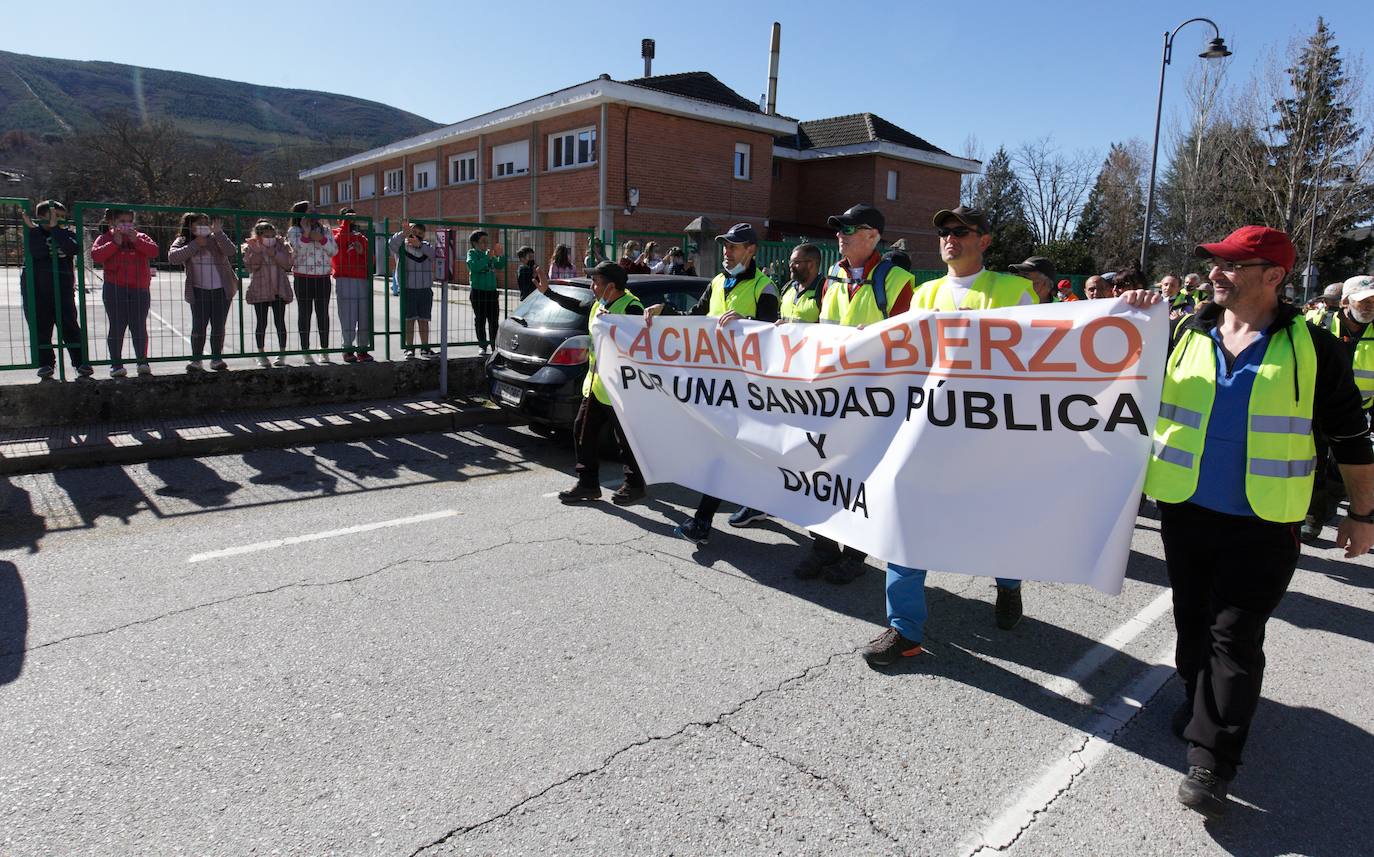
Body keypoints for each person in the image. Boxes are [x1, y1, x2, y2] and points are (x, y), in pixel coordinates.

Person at [1140, 225, 1374, 818]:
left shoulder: (1316, 349)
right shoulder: (1183, 332)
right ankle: (1197, 700)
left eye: (1231, 266)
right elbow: (1120, 387)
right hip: (1184, 508)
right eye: (1214, 264)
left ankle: (1212, 759)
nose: (1215, 273)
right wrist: (1132, 314)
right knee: (1192, 618)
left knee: (1234, 633)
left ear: (1274, 276)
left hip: (1266, 520)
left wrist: (1364, 514)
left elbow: (1351, 436)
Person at [863, 205, 1036, 667]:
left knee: (997, 523)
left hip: (989, 438)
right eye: (943, 231)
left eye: (962, 231)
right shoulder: (925, 294)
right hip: (929, 434)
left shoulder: (1014, 291)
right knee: (906, 523)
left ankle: (1009, 585)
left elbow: (1043, 359)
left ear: (985, 241)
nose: (949, 238)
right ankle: (904, 629)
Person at [779, 206, 915, 583]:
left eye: (850, 229)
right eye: (839, 228)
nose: (841, 234)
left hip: (872, 399)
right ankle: (822, 545)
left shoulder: (898, 279)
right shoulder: (833, 276)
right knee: (819, 470)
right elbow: (821, 329)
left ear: (873, 235)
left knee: (858, 477)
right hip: (828, 395)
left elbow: (905, 341)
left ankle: (854, 555)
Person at [643, 222, 779, 545]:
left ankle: (703, 522)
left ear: (751, 250)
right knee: (736, 454)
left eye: (733, 247)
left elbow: (772, 338)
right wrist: (665, 312)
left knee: (724, 455)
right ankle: (761, 501)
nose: (727, 253)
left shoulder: (765, 288)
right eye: (725, 246)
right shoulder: (718, 282)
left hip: (748, 390)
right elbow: (695, 320)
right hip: (716, 388)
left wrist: (746, 324)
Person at [542, 261, 648, 505]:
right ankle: (588, 484)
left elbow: (641, 344)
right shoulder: (600, 304)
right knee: (582, 431)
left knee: (627, 439)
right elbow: (577, 305)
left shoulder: (631, 307)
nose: (592, 287)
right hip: (597, 386)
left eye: (596, 283)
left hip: (622, 389)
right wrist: (547, 292)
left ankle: (635, 485)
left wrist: (617, 328)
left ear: (611, 286)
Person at [1300, 274, 1374, 543]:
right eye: (1364, 302)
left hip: (1360, 412)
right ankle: (1313, 517)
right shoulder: (1317, 323)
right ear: (1344, 302)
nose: (1369, 307)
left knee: (1344, 466)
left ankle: (1331, 505)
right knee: (1316, 463)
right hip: (1316, 409)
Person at [19, 200, 91, 378]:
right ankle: (46, 364)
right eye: (54, 216)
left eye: (61, 217)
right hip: (37, 290)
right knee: (40, 327)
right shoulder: (33, 234)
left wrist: (57, 230)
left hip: (63, 289)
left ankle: (80, 362)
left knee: (70, 326)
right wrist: (34, 230)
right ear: (41, 217)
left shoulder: (67, 233)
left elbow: (73, 248)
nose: (58, 220)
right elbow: (39, 253)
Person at [90, 208, 159, 377]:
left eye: (129, 221)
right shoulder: (105, 238)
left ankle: (142, 361)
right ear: (112, 223)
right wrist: (115, 243)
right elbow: (96, 256)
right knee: (117, 326)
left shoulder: (141, 237)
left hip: (139, 288)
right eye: (122, 221)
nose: (126, 224)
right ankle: (116, 364)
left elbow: (154, 251)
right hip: (115, 288)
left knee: (139, 326)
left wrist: (137, 241)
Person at [169, 213, 238, 372]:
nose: (204, 225)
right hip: (199, 292)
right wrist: (195, 245)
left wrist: (219, 233)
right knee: (199, 327)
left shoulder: (215, 238)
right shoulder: (183, 241)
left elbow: (231, 251)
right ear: (190, 226)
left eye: (206, 223)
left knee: (218, 327)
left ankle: (216, 358)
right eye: (200, 223)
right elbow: (173, 257)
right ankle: (196, 360)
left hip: (222, 290)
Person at [286, 201, 336, 364]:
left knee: (323, 314)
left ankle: (324, 349)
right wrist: (306, 236)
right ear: (300, 214)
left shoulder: (325, 230)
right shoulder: (294, 231)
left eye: (315, 209)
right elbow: (297, 249)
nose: (313, 213)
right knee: (304, 314)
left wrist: (321, 239)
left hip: (323, 278)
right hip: (303, 278)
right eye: (309, 211)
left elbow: (333, 251)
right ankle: (306, 350)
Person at [242, 221, 294, 367]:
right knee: (261, 323)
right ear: (258, 236)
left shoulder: (282, 245)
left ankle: (282, 353)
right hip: (260, 290)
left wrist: (275, 254)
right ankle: (261, 354)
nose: (270, 238)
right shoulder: (251, 247)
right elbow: (251, 266)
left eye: (272, 235)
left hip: (279, 290)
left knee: (280, 322)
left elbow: (287, 264)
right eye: (266, 236)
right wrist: (259, 252)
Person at [332, 209, 373, 364]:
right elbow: (337, 244)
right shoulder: (336, 234)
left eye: (353, 218)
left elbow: (370, 260)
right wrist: (346, 225)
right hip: (344, 278)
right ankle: (348, 348)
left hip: (361, 279)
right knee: (347, 316)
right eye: (346, 218)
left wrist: (362, 252)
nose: (351, 221)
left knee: (363, 316)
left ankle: (363, 348)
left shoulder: (361, 238)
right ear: (339, 221)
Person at [391, 223, 437, 358]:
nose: (417, 234)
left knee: (424, 320)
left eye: (421, 233)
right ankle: (409, 348)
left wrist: (420, 245)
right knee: (409, 320)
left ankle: (425, 348)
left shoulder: (426, 246)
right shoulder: (401, 245)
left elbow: (434, 255)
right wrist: (402, 233)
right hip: (408, 289)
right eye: (414, 231)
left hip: (425, 289)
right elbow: (391, 244)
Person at [466, 230, 505, 355]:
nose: (486, 244)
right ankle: (482, 345)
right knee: (480, 319)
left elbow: (499, 265)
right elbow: (474, 266)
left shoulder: (489, 254)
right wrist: (486, 258)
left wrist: (500, 255)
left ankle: (495, 345)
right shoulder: (472, 253)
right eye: (483, 242)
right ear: (474, 243)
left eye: (487, 242)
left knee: (494, 320)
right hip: (478, 292)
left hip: (491, 292)